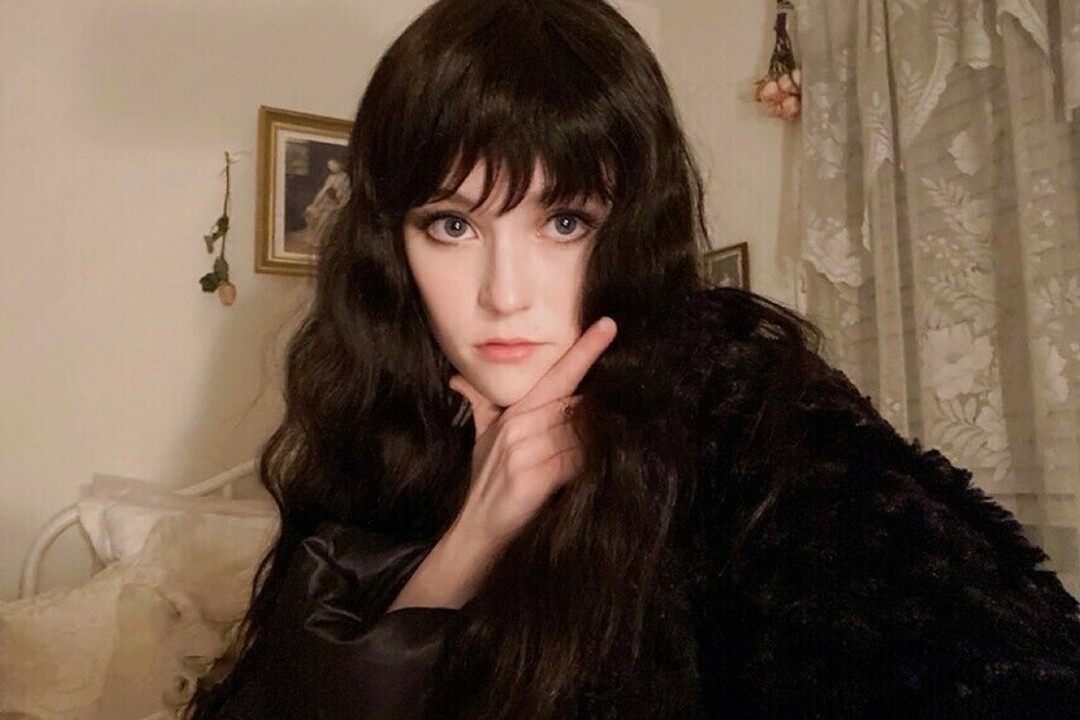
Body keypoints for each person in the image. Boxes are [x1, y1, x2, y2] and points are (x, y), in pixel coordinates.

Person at [186, 0, 1080, 717]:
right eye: (452, 225)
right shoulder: (381, 415)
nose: (504, 294)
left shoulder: (740, 409)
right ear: (394, 243)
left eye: (564, 221)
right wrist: (471, 541)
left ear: (634, 229)